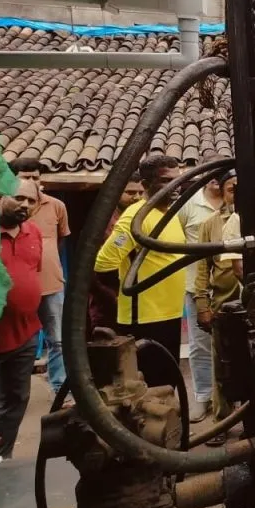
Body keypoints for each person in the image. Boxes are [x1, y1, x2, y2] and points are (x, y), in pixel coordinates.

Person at [95, 155, 186, 388]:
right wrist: (122, 295)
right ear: (146, 185)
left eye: (177, 179)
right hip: (144, 319)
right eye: (166, 181)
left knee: (168, 385)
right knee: (150, 389)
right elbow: (104, 262)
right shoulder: (135, 216)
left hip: (170, 314)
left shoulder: (169, 214)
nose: (175, 186)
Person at [0, 179, 43, 458]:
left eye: (31, 201)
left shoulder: (33, 232)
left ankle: (2, 457)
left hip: (25, 334)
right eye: (19, 197)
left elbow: (32, 274)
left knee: (16, 400)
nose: (25, 205)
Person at [10, 158, 70, 393]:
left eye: (36, 177)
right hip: (17, 290)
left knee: (58, 340)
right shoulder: (5, 208)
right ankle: (16, 392)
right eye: (26, 177)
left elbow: (61, 240)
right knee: (20, 342)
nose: (32, 182)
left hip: (51, 285)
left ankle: (59, 388)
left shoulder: (56, 206)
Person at [178, 153, 223, 422]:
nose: (216, 180)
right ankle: (202, 397)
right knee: (200, 345)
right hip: (197, 285)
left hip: (230, 287)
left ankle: (229, 398)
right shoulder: (190, 204)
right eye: (212, 174)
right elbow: (176, 237)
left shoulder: (235, 199)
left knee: (232, 344)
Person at [193, 170, 239, 433]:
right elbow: (202, 267)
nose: (237, 194)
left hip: (254, 303)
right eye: (232, 189)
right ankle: (222, 422)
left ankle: (252, 420)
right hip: (222, 303)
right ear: (222, 192)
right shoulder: (210, 224)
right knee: (222, 364)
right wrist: (202, 305)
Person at [88, 173, 144, 332]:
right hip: (107, 297)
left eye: (140, 193)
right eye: (131, 193)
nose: (137, 197)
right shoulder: (101, 220)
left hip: (133, 297)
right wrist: (110, 296)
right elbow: (92, 266)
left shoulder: (139, 218)